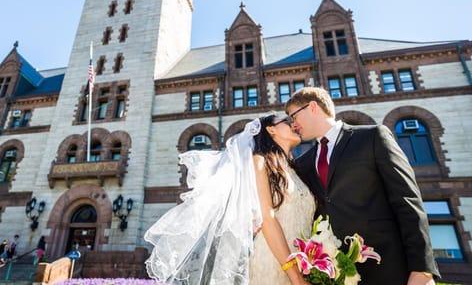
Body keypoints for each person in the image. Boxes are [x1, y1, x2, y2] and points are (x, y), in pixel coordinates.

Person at [285, 87, 440, 285]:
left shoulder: (373, 136)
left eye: (293, 116)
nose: (293, 124)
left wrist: (422, 269)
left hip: (391, 269)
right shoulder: (303, 163)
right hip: (338, 276)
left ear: (313, 107)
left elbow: (407, 202)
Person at [144, 114, 314, 285]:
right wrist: (296, 277)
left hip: (305, 263)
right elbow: (267, 219)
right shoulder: (260, 162)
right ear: (271, 129)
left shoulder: (294, 169)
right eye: (287, 121)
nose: (294, 124)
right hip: (276, 263)